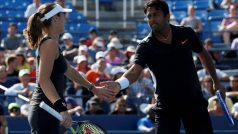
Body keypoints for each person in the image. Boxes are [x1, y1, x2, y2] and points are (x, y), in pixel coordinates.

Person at [101, 1, 225, 134]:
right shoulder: (145, 46)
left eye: (156, 15)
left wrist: (216, 81)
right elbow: (134, 71)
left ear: (167, 16)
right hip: (166, 106)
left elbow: (203, 54)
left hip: (193, 100)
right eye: (149, 16)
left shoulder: (186, 33)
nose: (152, 19)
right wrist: (119, 84)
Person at [22, 3, 116, 134]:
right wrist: (62, 108)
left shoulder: (51, 44)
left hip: (49, 110)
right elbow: (43, 80)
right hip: (45, 111)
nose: (66, 19)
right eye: (63, 15)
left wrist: (93, 88)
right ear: (55, 18)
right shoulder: (49, 44)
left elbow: (70, 71)